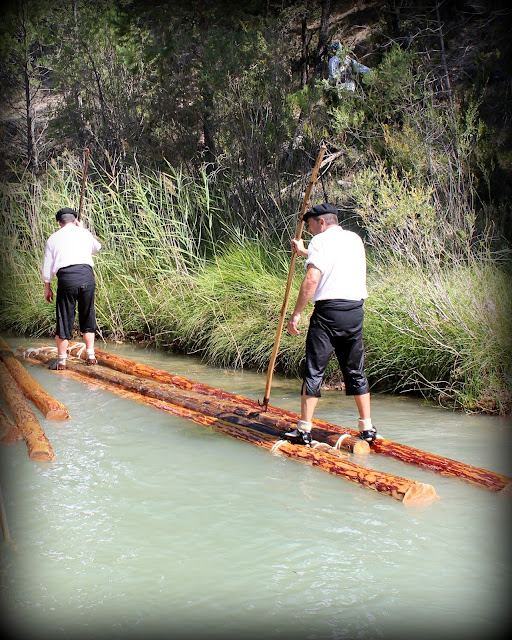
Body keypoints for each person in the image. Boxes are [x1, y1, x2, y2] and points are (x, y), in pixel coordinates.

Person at [284, 202, 376, 446]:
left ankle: (303, 430)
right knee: (355, 370)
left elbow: (313, 278)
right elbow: (335, 258)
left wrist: (296, 313)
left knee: (314, 370)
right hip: (355, 311)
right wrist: (304, 251)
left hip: (328, 313)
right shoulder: (355, 239)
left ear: (322, 222)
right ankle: (367, 428)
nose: (311, 230)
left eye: (311, 225)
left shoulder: (320, 241)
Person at [42, 207, 101, 370]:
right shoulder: (83, 233)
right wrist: (82, 229)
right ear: (75, 220)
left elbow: (48, 266)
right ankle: (91, 356)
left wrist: (47, 287)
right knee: (88, 314)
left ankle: (61, 361)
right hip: (86, 276)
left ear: (59, 222)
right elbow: (97, 247)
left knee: (64, 317)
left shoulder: (53, 238)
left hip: (67, 278)